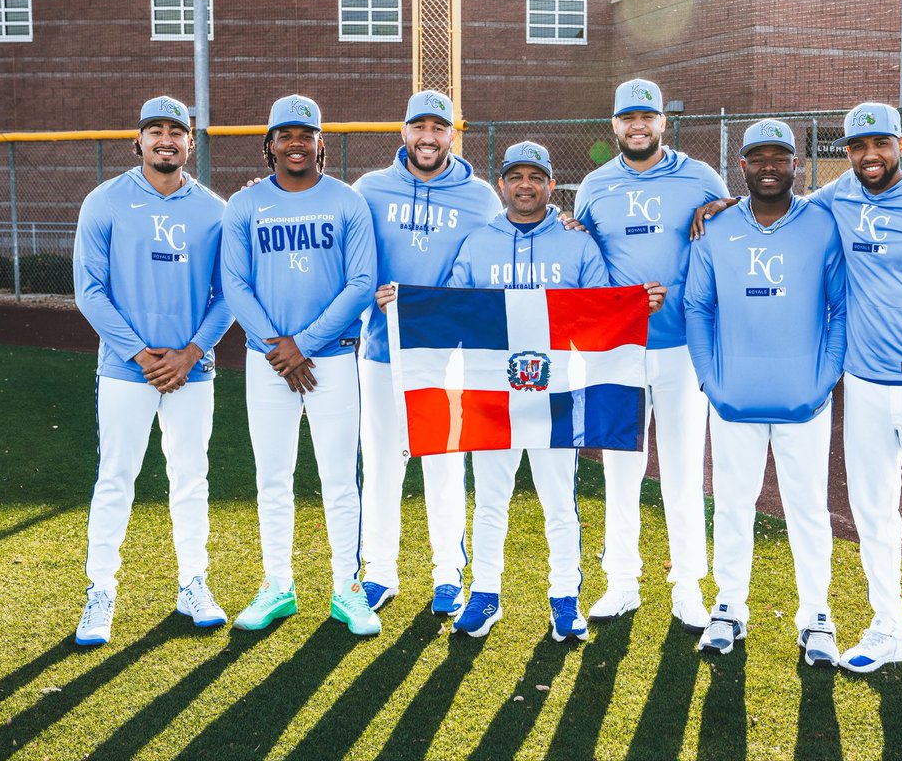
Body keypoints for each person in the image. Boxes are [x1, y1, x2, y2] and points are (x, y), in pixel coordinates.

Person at [694, 103, 902, 698]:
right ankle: (888, 628)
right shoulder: (839, 197)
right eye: (857, 146)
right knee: (872, 513)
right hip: (865, 386)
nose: (869, 156)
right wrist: (723, 205)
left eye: (880, 143)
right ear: (844, 152)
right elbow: (780, 205)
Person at [434, 141, 665, 641]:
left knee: (560, 501)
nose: (525, 186)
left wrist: (635, 304)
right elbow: (451, 307)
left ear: (551, 185)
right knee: (490, 500)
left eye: (535, 177)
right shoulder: (479, 242)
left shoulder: (576, 244)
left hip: (557, 391)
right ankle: (484, 595)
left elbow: (601, 309)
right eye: (516, 176)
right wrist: (404, 303)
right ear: (502, 184)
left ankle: (565, 599)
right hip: (492, 393)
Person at [683, 120, 846, 662]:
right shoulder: (716, 227)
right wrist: (709, 380)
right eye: (758, 157)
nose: (769, 166)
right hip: (734, 398)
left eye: (780, 157)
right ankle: (729, 607)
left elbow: (841, 307)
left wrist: (824, 379)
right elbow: (697, 306)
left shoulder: (821, 224)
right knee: (733, 504)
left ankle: (816, 616)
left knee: (809, 509)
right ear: (743, 166)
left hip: (805, 401)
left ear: (796, 164)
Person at [573, 78, 732, 632]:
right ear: (614, 125)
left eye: (648, 117)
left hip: (682, 346)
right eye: (627, 118)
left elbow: (732, 231)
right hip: (618, 347)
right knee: (621, 469)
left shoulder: (700, 175)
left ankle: (688, 585)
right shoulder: (594, 184)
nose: (637, 126)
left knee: (684, 470)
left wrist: (729, 204)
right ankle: (621, 582)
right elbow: (585, 255)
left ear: (663, 122)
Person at [72, 95, 232, 646]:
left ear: (190, 142)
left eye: (176, 130)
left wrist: (190, 353)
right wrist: (141, 355)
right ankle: (100, 591)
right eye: (155, 129)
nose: (166, 139)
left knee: (191, 477)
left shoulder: (214, 210)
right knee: (116, 477)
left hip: (193, 370)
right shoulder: (104, 201)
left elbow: (228, 293)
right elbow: (89, 291)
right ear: (137, 140)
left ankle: (193, 583)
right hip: (125, 370)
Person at [221, 94, 380, 636]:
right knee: (272, 478)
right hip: (268, 361)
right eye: (284, 135)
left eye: (305, 135)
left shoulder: (347, 201)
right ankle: (277, 585)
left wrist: (304, 344)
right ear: (269, 145)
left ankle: (347, 589)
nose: (295, 144)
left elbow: (362, 282)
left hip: (330, 360)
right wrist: (278, 347)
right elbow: (233, 283)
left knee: (339, 480)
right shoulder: (244, 205)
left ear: (320, 143)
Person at [352, 91, 502, 617]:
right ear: (404, 132)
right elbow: (349, 259)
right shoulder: (370, 190)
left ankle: (447, 575)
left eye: (439, 128)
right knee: (381, 465)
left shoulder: (481, 198)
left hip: (447, 356)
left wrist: (565, 222)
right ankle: (380, 572)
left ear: (452, 135)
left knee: (443, 466)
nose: (428, 137)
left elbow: (494, 265)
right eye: (419, 126)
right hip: (381, 350)